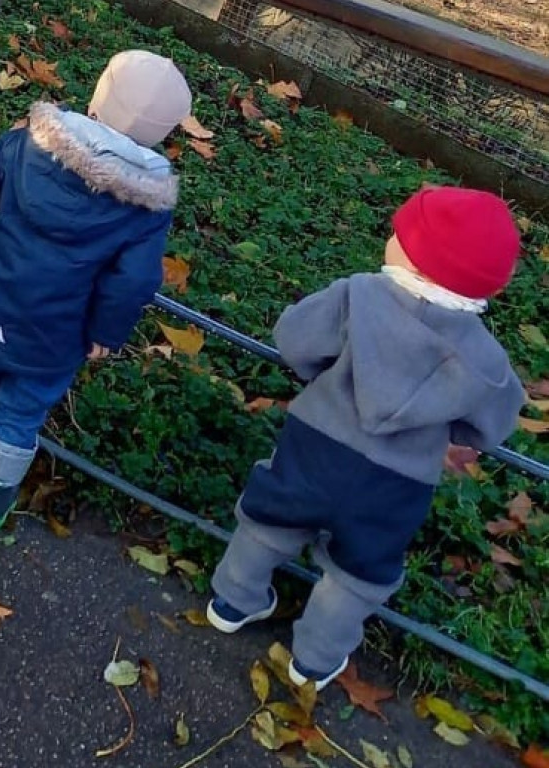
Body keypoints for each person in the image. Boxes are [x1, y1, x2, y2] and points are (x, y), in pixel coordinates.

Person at [206, 185, 523, 688]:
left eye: (398, 234)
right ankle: (314, 660)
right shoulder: (486, 359)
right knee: (358, 574)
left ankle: (233, 599)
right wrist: (451, 424)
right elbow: (492, 426)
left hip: (317, 443)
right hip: (398, 483)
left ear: (413, 257)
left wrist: (321, 371)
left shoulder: (358, 295)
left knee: (271, 519)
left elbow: (294, 339)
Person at [0, 49, 191, 530]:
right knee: (21, 412)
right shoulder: (147, 206)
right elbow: (134, 279)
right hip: (55, 332)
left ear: (98, 98)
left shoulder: (27, 143)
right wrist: (105, 332)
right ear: (163, 133)